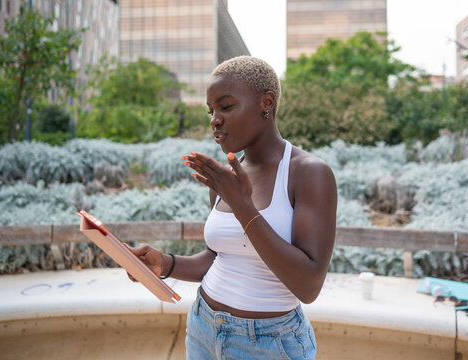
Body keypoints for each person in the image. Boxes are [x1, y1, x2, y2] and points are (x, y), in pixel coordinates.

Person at [125, 56, 337, 360]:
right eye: (211, 110)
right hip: (203, 328)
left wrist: (242, 205)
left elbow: (308, 286)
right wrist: (165, 264)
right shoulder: (228, 176)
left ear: (266, 102)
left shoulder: (309, 173)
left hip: (269, 343)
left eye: (226, 107)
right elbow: (219, 258)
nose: (214, 119)